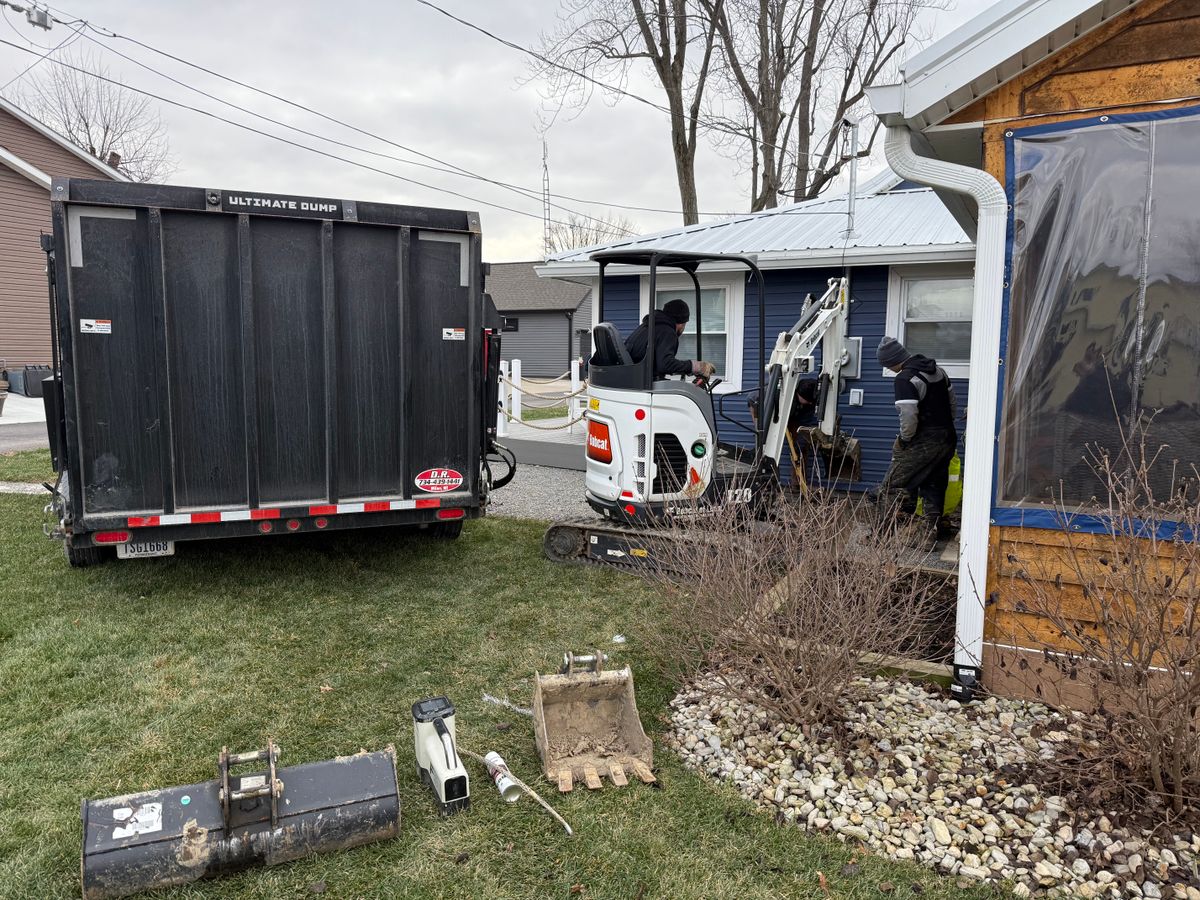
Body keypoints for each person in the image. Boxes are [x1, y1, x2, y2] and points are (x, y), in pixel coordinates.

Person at [875, 335, 958, 547]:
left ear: (891, 361)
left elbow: (909, 415)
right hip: (947, 437)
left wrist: (904, 440)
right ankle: (927, 537)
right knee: (934, 484)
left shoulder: (905, 378)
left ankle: (884, 536)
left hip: (923, 440)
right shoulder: (938, 371)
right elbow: (952, 406)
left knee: (892, 485)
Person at [625, 298, 716, 380]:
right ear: (681, 323)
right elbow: (666, 364)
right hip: (642, 383)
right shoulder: (667, 331)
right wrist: (697, 367)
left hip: (634, 378)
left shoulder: (648, 327)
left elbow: (659, 361)